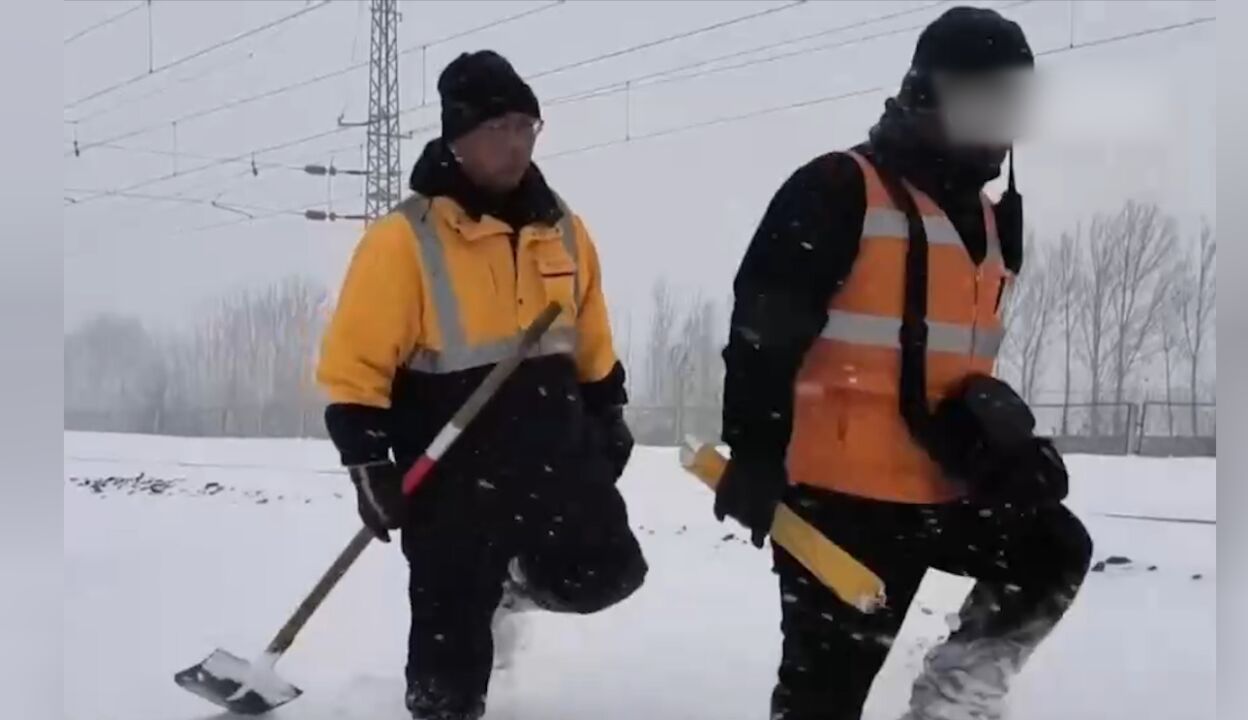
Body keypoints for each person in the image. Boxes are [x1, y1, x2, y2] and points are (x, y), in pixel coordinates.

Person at [713, 7, 1094, 720]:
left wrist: (1001, 440)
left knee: (1052, 550)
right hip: (840, 505)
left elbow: (947, 357)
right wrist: (757, 450)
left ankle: (954, 701)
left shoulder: (989, 217)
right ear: (928, 95)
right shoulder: (837, 189)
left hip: (945, 489)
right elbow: (761, 335)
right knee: (822, 704)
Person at [315, 49, 647, 720]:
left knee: (611, 573)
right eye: (501, 128)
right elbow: (355, 364)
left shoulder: (565, 232)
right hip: (449, 478)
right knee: (448, 674)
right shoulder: (404, 240)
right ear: (457, 136)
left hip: (551, 457)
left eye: (528, 126)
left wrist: (607, 409)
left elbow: (592, 336)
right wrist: (366, 465)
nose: (517, 142)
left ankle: (514, 581)